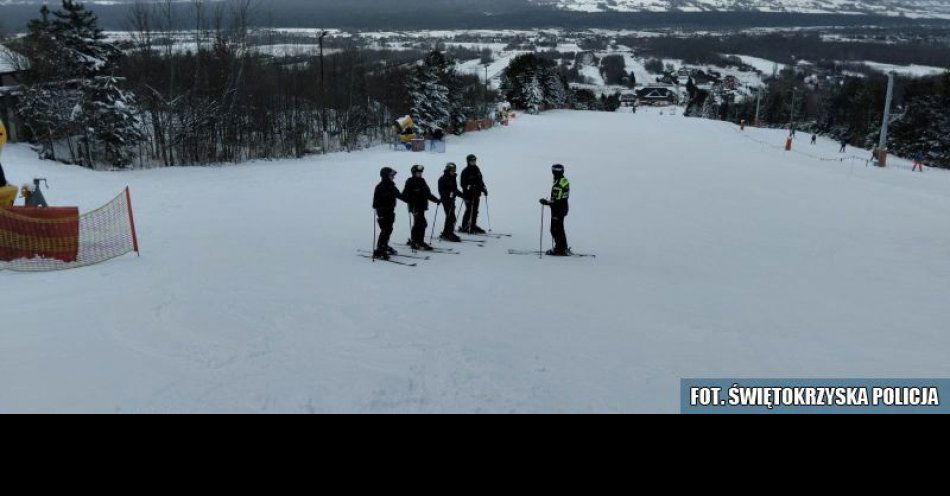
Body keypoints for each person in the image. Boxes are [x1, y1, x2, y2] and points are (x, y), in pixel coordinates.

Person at [402, 164, 440, 251]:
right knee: (421, 223)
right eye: (418, 173)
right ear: (413, 173)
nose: (420, 174)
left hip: (422, 206)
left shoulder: (422, 181)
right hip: (415, 207)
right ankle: (417, 241)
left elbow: (427, 194)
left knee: (419, 224)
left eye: (420, 172)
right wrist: (412, 199)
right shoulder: (410, 181)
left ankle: (416, 240)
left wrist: (436, 200)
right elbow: (404, 196)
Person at [372, 167, 406, 260]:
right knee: (385, 230)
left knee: (389, 229)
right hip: (383, 212)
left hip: (390, 211)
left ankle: (384, 245)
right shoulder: (380, 187)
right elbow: (375, 203)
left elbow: (399, 195)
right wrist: (382, 204)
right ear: (386, 176)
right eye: (391, 175)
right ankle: (380, 250)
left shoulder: (391, 186)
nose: (393, 177)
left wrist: (409, 198)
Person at [539, 163, 571, 256]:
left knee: (555, 229)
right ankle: (562, 247)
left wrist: (546, 202)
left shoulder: (558, 184)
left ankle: (560, 249)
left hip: (558, 209)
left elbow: (557, 200)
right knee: (559, 228)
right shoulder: (563, 180)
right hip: (563, 206)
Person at [459, 154, 488, 234]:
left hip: (476, 194)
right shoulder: (465, 171)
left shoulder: (477, 169)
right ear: (468, 161)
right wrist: (469, 186)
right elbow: (462, 183)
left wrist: (483, 188)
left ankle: (473, 225)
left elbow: (480, 181)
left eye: (474, 161)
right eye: (472, 161)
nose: (473, 162)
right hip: (468, 194)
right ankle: (465, 225)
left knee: (475, 210)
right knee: (469, 210)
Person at [437, 162, 464, 242]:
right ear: (448, 170)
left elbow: (454, 189)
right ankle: (448, 234)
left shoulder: (453, 178)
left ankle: (448, 232)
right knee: (451, 217)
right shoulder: (442, 179)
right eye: (452, 170)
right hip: (446, 200)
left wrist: (462, 195)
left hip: (452, 200)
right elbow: (442, 191)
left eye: (454, 170)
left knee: (451, 217)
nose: (453, 172)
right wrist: (450, 194)